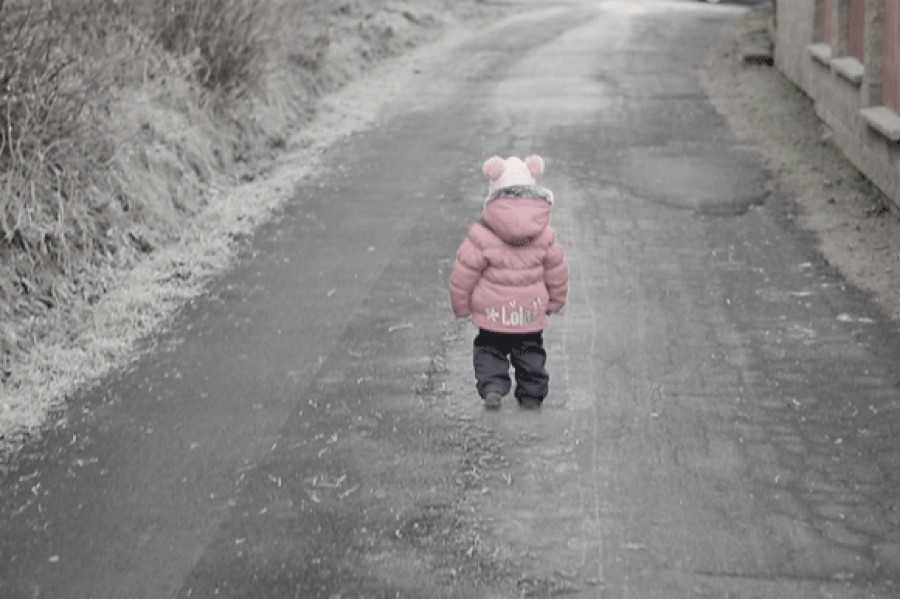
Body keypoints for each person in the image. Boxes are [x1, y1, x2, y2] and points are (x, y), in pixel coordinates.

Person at [449, 155, 569, 409]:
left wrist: (461, 306)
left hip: (493, 311)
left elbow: (464, 272)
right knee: (530, 350)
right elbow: (556, 270)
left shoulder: (482, 233)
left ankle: (492, 385)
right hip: (529, 310)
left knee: (489, 348)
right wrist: (556, 301)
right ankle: (531, 394)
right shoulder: (545, 234)